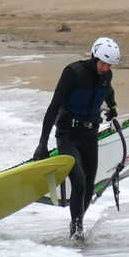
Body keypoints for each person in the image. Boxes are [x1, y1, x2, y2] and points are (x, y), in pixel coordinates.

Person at [33, 37, 120, 242]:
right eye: (104, 63)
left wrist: (113, 107)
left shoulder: (107, 75)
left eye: (110, 65)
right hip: (67, 135)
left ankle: (77, 224)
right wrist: (42, 143)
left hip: (90, 136)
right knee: (79, 182)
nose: (106, 68)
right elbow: (53, 107)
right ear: (94, 57)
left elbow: (108, 90)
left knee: (89, 187)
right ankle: (77, 229)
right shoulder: (73, 73)